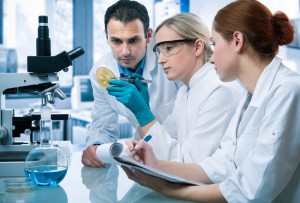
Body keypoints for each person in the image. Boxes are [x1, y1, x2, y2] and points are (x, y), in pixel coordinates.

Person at [122, 0, 300, 202]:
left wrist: (167, 189)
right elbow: (223, 165)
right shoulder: (247, 96)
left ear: (237, 41)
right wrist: (155, 165)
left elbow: (250, 190)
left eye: (214, 44)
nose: (212, 57)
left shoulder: (287, 90)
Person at [107, 12, 240, 163]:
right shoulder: (185, 90)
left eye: (169, 48)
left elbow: (189, 164)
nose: (160, 60)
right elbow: (168, 138)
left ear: (197, 47)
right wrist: (141, 144)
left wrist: (142, 112)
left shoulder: (219, 91)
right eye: (159, 51)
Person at [82, 0, 179, 167]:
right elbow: (103, 125)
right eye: (116, 41)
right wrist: (96, 147)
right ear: (107, 38)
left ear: (149, 36)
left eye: (133, 40)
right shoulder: (101, 71)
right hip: (145, 159)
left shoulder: (172, 59)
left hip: (182, 154)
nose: (125, 51)